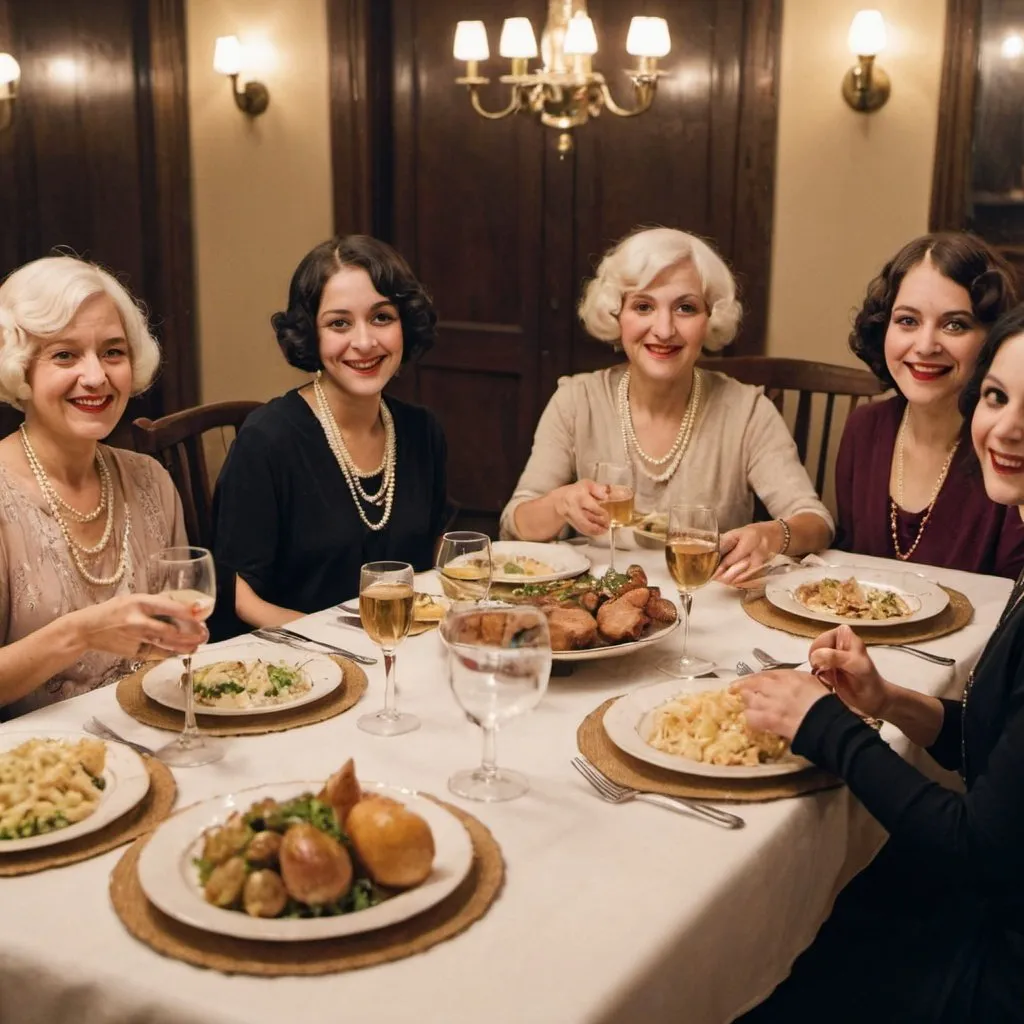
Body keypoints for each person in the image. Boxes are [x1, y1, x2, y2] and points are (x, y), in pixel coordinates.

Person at [733, 303, 1024, 1023]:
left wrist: (826, 726)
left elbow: (972, 848)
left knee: (759, 971)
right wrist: (887, 699)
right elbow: (997, 753)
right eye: (998, 397)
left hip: (996, 963)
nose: (1008, 429)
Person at [500, 227, 833, 581]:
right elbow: (515, 524)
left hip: (710, 602)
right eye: (643, 306)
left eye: (685, 308)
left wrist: (772, 535)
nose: (663, 329)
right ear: (617, 316)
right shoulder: (575, 401)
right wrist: (559, 503)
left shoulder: (748, 411)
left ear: (710, 319)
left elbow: (816, 522)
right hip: (596, 604)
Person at [0, 256, 206, 719]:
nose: (96, 377)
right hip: (36, 771)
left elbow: (170, 639)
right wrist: (81, 633)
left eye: (112, 352)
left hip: (150, 733)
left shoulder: (150, 479)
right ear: (20, 369)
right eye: (64, 354)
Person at [211, 236, 448, 634]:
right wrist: (330, 641)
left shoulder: (421, 431)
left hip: (403, 650)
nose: (364, 342)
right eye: (339, 323)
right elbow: (237, 591)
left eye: (382, 317)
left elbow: (434, 553)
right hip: (298, 662)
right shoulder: (268, 441)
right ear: (310, 335)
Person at [836, 231, 1023, 577]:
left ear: (993, 339)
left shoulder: (1007, 451)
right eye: (908, 320)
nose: (925, 346)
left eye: (955, 325)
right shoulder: (863, 428)